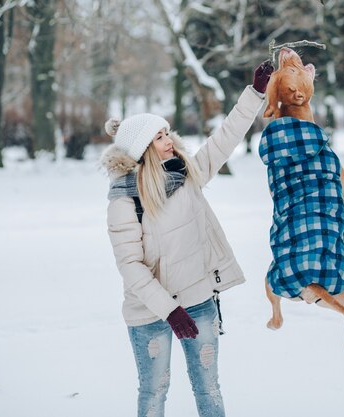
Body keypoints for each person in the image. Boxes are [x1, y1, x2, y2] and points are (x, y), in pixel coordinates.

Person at [100, 61, 273, 417]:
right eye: (160, 137)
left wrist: (255, 93)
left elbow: (226, 137)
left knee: (208, 389)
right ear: (144, 148)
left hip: (197, 302)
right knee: (154, 391)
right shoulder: (124, 199)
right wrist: (169, 311)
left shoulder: (187, 173)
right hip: (149, 313)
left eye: (168, 133)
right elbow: (130, 266)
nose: (170, 141)